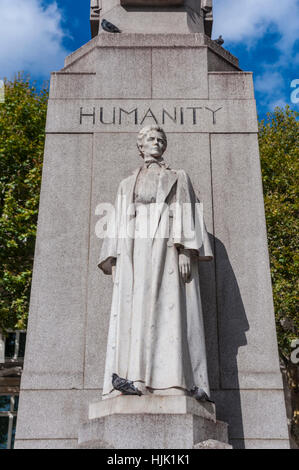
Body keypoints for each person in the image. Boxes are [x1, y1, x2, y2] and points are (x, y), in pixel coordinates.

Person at [98, 125, 213, 399]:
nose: (157, 143)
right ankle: (135, 378)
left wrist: (186, 250)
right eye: (151, 139)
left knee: (169, 310)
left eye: (161, 139)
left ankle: (174, 380)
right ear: (141, 146)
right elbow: (117, 223)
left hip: (166, 245)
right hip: (135, 248)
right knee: (135, 312)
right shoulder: (127, 183)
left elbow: (187, 211)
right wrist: (114, 259)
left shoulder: (178, 177)